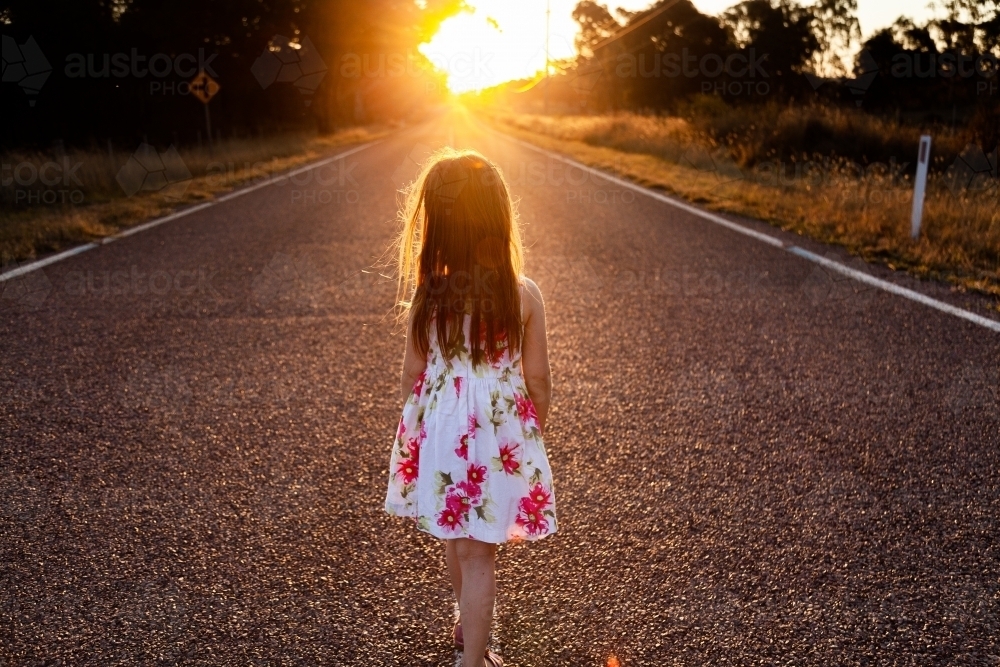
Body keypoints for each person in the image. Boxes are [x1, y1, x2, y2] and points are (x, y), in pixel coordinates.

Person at [384, 147, 558, 667]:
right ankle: (473, 660)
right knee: (481, 551)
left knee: (457, 534)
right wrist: (531, 434)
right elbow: (539, 380)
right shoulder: (522, 295)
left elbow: (412, 374)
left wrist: (421, 429)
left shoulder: (429, 296)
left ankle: (468, 635)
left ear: (437, 227)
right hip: (500, 433)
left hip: (442, 426)